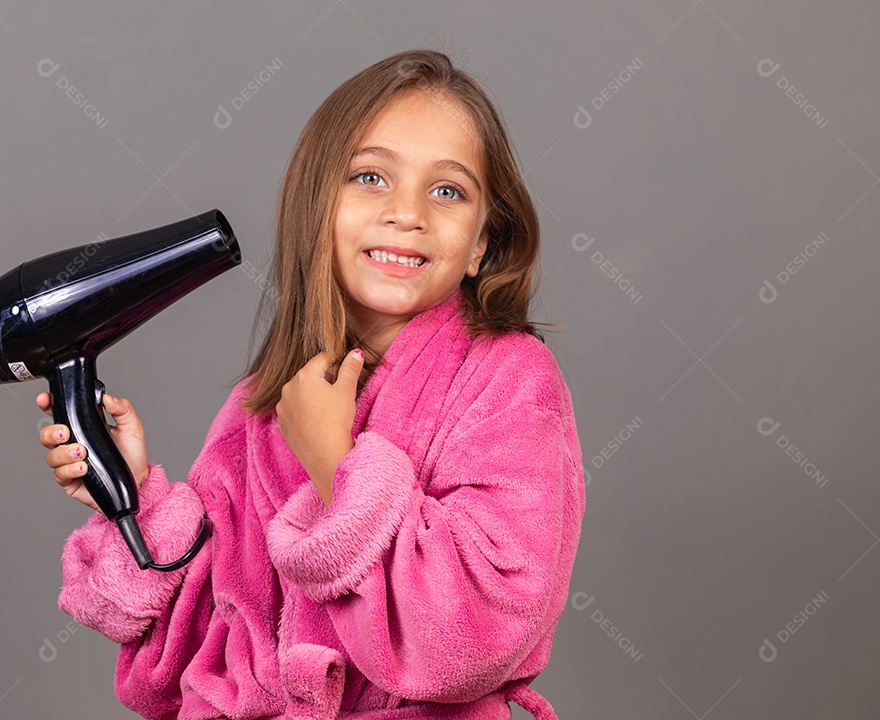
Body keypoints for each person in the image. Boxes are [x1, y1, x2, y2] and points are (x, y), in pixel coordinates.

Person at [37, 48, 585, 720]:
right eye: (370, 177)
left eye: (447, 190)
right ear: (315, 207)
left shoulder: (509, 381)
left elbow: (475, 636)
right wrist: (136, 501)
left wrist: (337, 463)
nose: (407, 212)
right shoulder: (264, 402)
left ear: (479, 245)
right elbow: (189, 664)